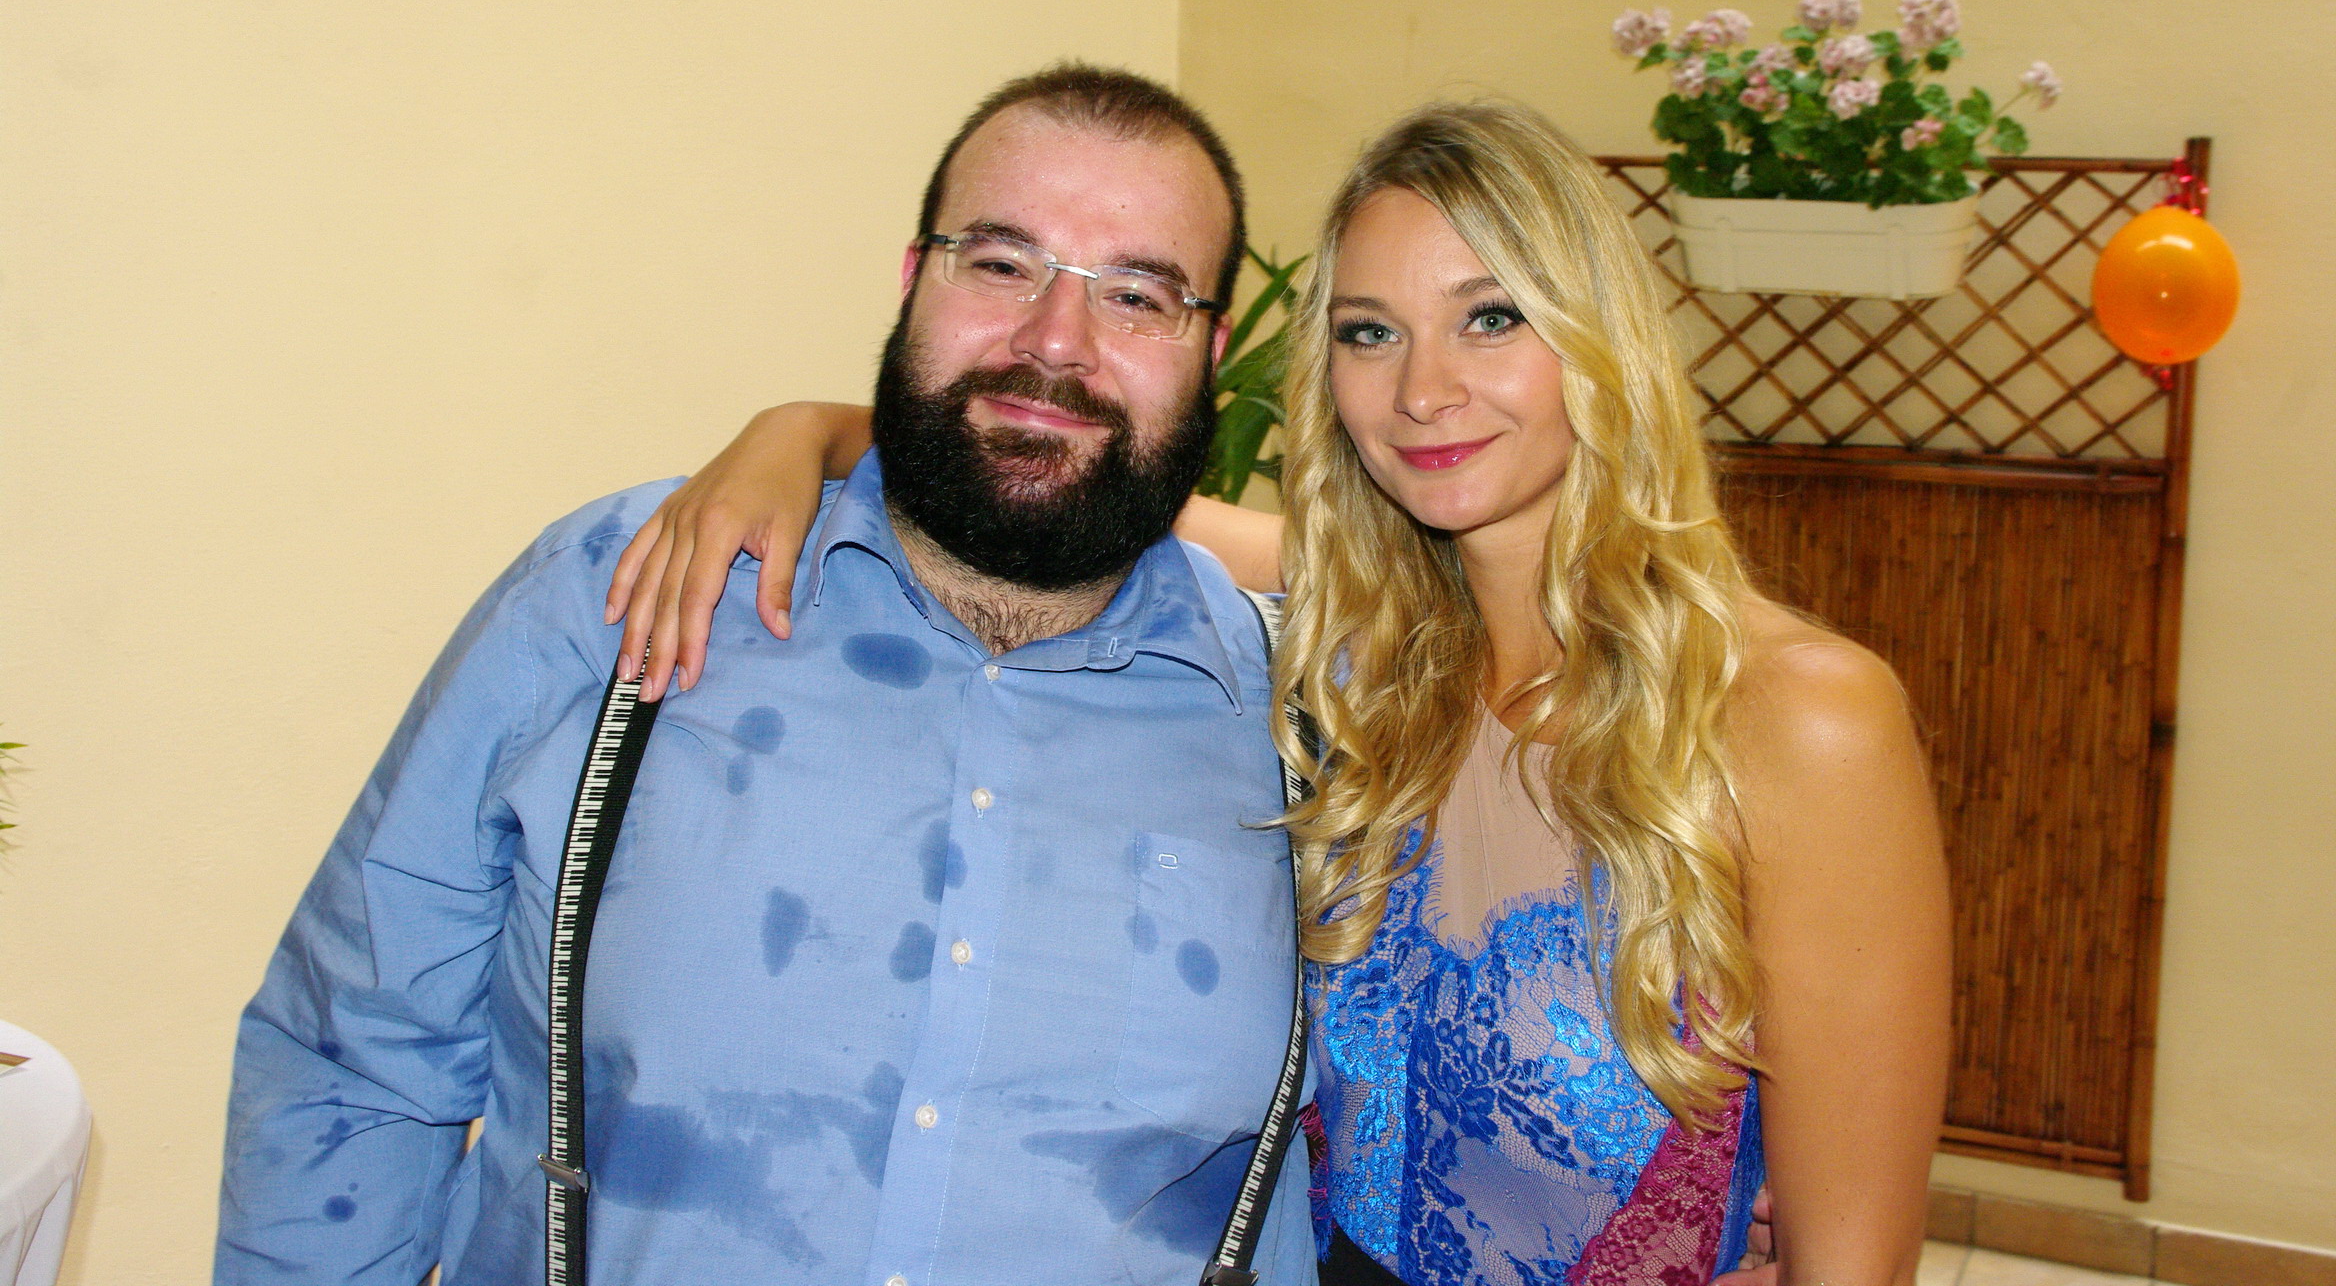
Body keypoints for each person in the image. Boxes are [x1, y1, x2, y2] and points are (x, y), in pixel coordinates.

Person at [609, 101, 1953, 1285]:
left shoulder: (1799, 721)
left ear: (1599, 340)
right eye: (1371, 333)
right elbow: (1042, 456)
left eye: (1489, 318)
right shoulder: (1355, 644)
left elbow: (1854, 1264)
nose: (1423, 391)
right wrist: (795, 433)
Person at [215, 64, 1323, 1286]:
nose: (1055, 340)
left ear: (1210, 350)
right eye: (1000, 263)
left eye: (1136, 295)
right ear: (913, 278)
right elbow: (354, 1061)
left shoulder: (1299, 719)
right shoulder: (613, 593)